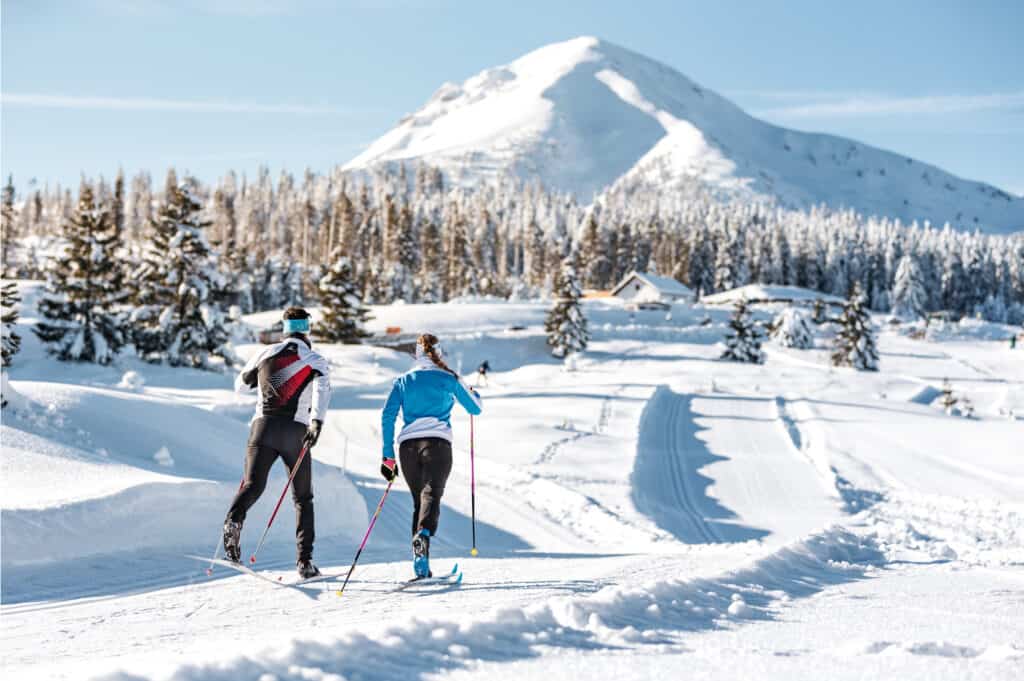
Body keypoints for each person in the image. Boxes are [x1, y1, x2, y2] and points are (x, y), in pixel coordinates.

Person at [223, 307, 331, 578]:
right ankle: (305, 562)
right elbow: (322, 391)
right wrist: (317, 422)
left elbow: (240, 386)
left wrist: (259, 379)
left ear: (284, 328)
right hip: (295, 431)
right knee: (303, 498)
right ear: (307, 329)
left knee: (252, 485)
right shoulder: (315, 359)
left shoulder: (265, 353)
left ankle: (233, 521)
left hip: (263, 428)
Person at [380, 333, 482, 577]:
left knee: (420, 501)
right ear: (439, 352)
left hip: (407, 449)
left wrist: (388, 455)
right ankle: (423, 535)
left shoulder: (403, 380)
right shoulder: (448, 377)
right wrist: (472, 390)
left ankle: (421, 564)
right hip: (437, 445)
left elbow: (387, 415)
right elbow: (475, 408)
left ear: (416, 354)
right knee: (431, 495)